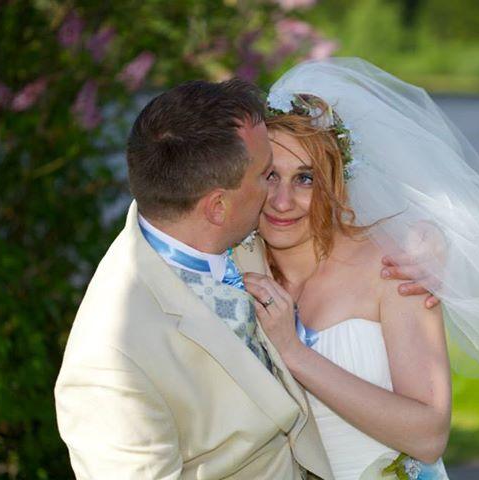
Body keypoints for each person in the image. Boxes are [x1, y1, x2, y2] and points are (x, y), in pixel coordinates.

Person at [54, 76, 434, 478]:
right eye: (266, 175)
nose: (278, 199)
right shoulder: (112, 360)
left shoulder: (235, 239)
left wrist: (427, 243)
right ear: (218, 207)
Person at [242, 58, 479, 480]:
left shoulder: (395, 268)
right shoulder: (235, 267)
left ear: (336, 182)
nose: (282, 201)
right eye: (270, 176)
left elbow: (429, 436)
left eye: (305, 179)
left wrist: (294, 354)